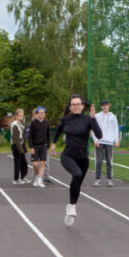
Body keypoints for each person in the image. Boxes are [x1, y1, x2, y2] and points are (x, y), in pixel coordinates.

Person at [51, 94, 102, 226]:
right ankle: (73, 206)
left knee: (77, 183)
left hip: (83, 157)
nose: (76, 106)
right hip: (68, 155)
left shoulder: (88, 119)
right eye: (73, 104)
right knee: (77, 174)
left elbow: (99, 134)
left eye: (78, 104)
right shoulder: (65, 119)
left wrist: (93, 118)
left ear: (82, 106)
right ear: (70, 107)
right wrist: (53, 143)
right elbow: (58, 131)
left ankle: (71, 205)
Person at [92, 100, 120, 187]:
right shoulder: (97, 116)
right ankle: (98, 179)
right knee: (99, 161)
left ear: (109, 106)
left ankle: (109, 179)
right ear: (101, 107)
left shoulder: (113, 116)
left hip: (110, 142)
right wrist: (95, 140)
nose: (105, 107)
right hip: (100, 141)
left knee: (109, 161)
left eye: (106, 105)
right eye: (103, 105)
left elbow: (116, 129)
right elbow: (93, 129)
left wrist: (116, 140)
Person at [27, 106, 51, 188]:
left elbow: (48, 135)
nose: (41, 114)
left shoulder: (46, 123)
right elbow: (30, 136)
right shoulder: (33, 123)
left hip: (43, 145)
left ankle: (40, 180)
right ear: (37, 114)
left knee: (42, 163)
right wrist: (31, 147)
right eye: (40, 113)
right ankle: (37, 176)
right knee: (35, 164)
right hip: (35, 146)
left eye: (43, 113)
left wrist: (48, 145)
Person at [10, 108, 29, 184]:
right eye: (20, 116)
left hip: (20, 146)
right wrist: (20, 149)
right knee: (18, 163)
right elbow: (16, 139)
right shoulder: (15, 125)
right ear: (16, 116)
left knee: (24, 163)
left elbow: (22, 138)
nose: (22, 117)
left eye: (22, 116)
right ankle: (16, 179)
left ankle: (23, 177)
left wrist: (24, 148)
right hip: (16, 146)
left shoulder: (20, 125)